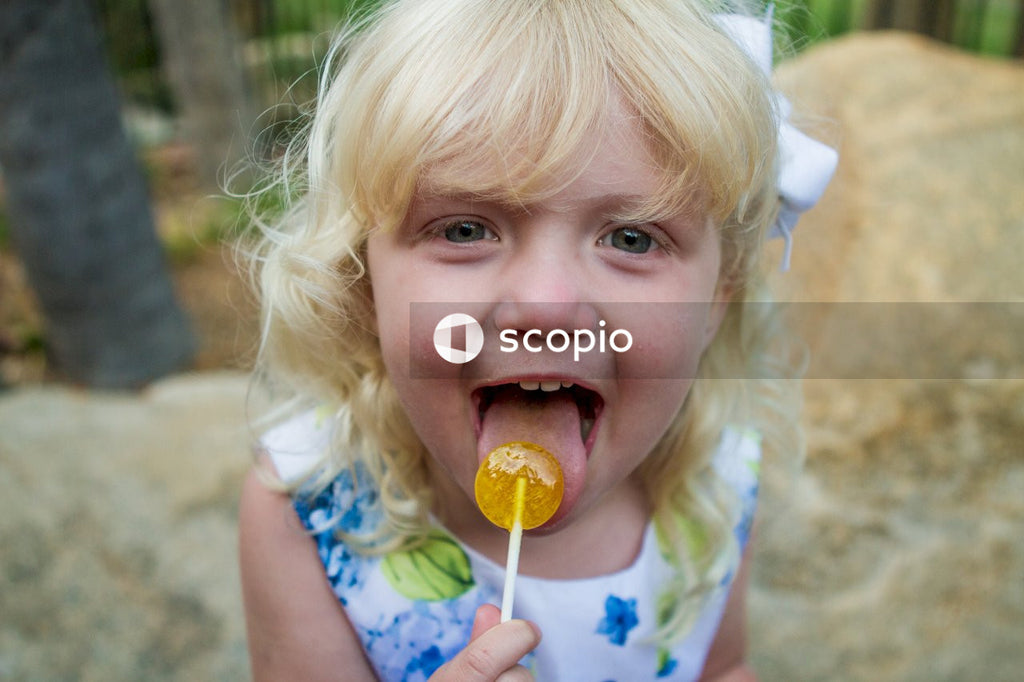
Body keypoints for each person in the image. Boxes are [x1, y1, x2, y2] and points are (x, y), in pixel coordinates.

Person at [237, 1, 837, 680]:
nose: (547, 304)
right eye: (465, 229)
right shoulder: (308, 512)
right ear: (362, 279)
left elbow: (725, 668)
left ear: (717, 297)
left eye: (631, 238)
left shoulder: (718, 483)